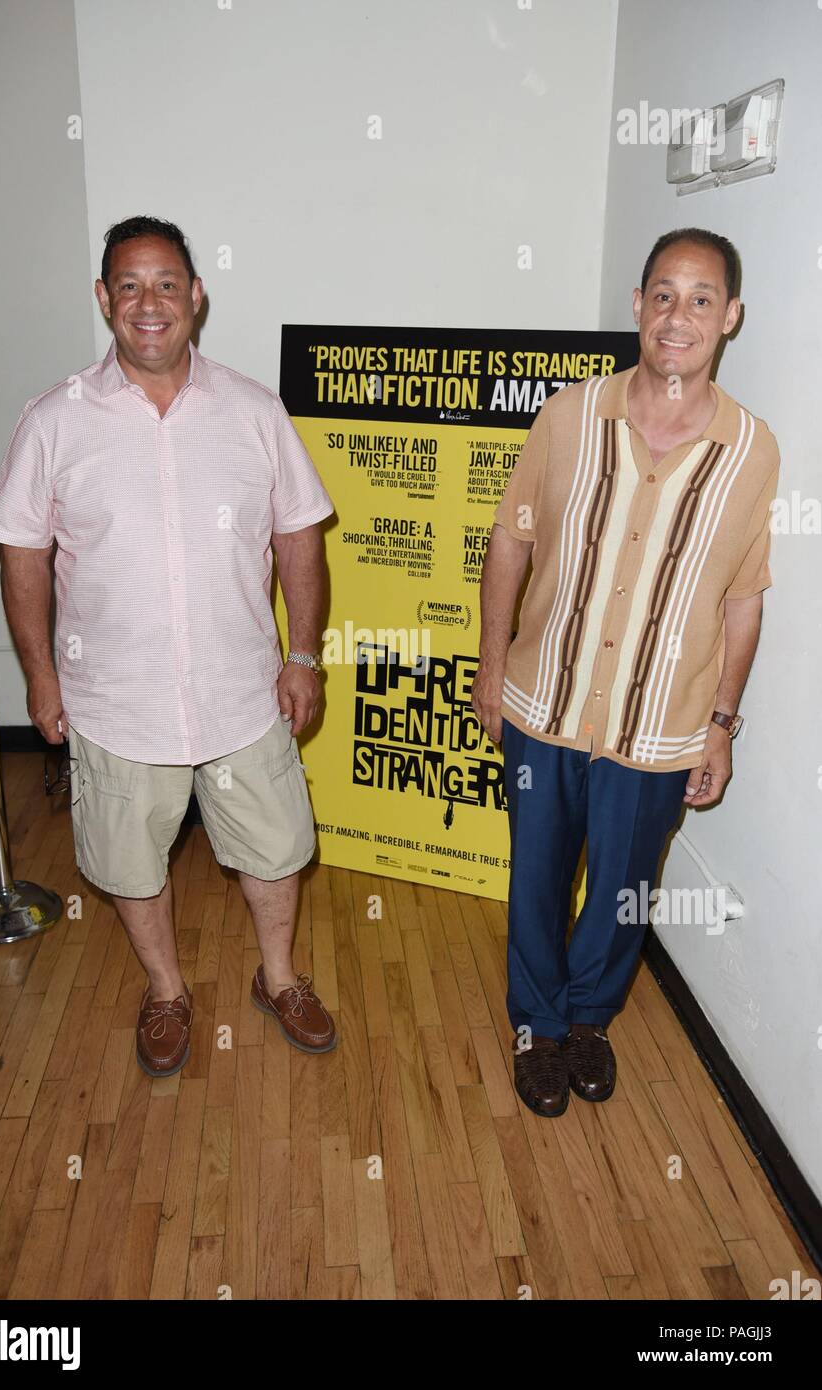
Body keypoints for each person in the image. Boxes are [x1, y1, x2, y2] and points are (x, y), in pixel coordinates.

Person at [0, 215, 337, 1076]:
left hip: (241, 691)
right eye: (131, 286)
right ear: (104, 299)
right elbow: (22, 558)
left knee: (275, 849)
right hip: (115, 698)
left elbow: (299, 540)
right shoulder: (53, 422)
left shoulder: (254, 412)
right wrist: (38, 676)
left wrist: (302, 655)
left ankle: (279, 976)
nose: (151, 303)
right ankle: (166, 991)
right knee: (128, 860)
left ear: (196, 297)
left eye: (167, 284)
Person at [472, 228, 780, 1117]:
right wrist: (491, 671)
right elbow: (510, 539)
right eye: (661, 293)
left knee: (622, 888)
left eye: (698, 297)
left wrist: (720, 724)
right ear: (637, 305)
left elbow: (742, 600)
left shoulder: (752, 450)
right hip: (543, 701)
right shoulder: (569, 415)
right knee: (535, 870)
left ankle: (586, 1023)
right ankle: (535, 1023)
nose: (676, 314)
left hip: (661, 726)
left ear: (730, 316)